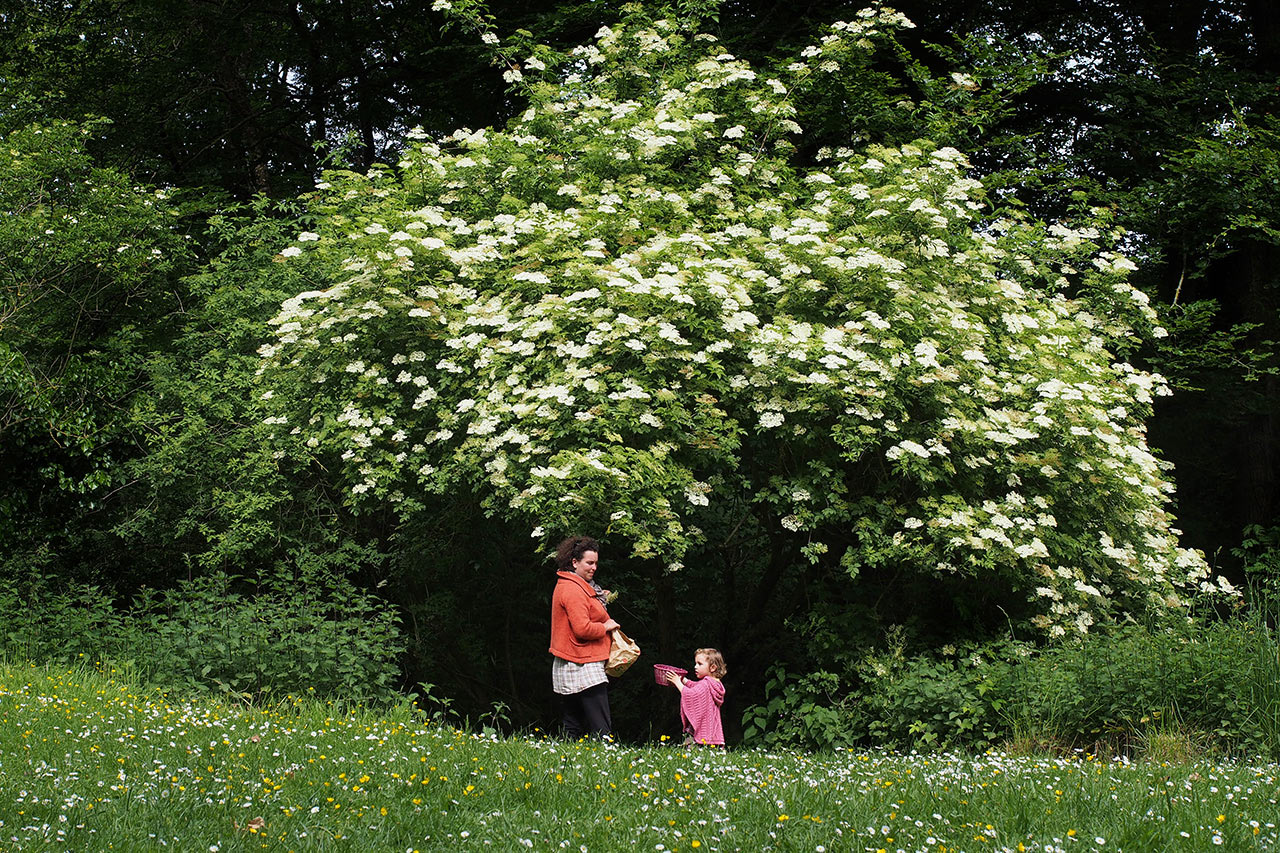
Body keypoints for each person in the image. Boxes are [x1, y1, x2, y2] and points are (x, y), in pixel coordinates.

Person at [549, 535, 620, 739]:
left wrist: (600, 600)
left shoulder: (578, 585)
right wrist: (605, 626)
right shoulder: (572, 589)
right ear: (574, 562)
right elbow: (582, 629)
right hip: (581, 661)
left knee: (573, 722)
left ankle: (567, 760)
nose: (594, 567)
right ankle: (606, 756)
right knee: (600, 725)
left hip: (575, 659)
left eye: (596, 563)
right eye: (589, 562)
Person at [665, 648, 726, 746]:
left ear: (713, 667)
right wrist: (683, 680)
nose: (695, 667)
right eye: (695, 663)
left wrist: (677, 682)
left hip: (702, 735)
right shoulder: (714, 683)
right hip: (713, 733)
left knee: (693, 754)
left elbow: (690, 695)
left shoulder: (706, 684)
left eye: (699, 664)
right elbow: (696, 687)